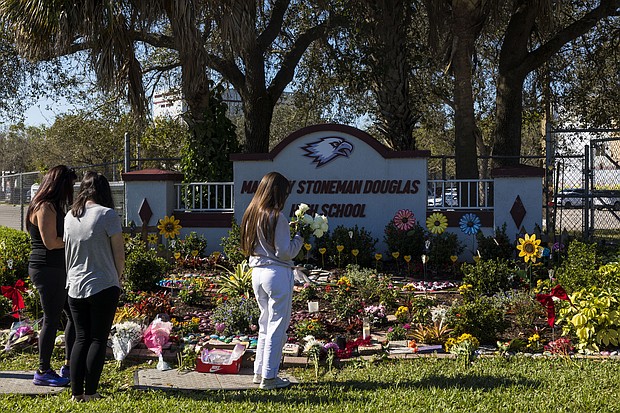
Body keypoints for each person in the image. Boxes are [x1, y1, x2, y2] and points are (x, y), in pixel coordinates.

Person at [64, 171, 124, 402]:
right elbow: (119, 254)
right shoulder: (107, 214)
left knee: (81, 338)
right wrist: (117, 280)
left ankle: (75, 393)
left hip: (75, 285)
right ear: (104, 191)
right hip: (103, 284)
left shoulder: (70, 216)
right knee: (98, 339)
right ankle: (91, 392)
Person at [240, 172, 303, 390]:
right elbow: (285, 252)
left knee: (264, 324)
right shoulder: (277, 216)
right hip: (276, 273)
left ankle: (260, 371)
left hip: (256, 272)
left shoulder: (252, 213)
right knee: (278, 325)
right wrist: (299, 238)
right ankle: (270, 376)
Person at [26, 165, 78, 387]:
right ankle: (43, 370)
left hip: (57, 268)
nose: (71, 191)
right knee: (52, 318)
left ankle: (68, 364)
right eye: (69, 186)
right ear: (59, 185)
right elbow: (51, 242)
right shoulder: (45, 207)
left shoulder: (52, 205)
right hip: (48, 268)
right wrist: (77, 240)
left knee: (74, 315)